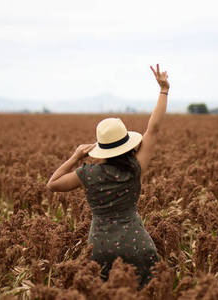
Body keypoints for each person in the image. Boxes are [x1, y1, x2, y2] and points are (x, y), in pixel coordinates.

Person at [46, 64, 170, 288]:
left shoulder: (87, 174)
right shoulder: (135, 168)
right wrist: (163, 91)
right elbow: (154, 129)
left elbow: (52, 184)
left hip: (101, 247)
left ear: (100, 147)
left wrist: (75, 157)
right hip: (138, 245)